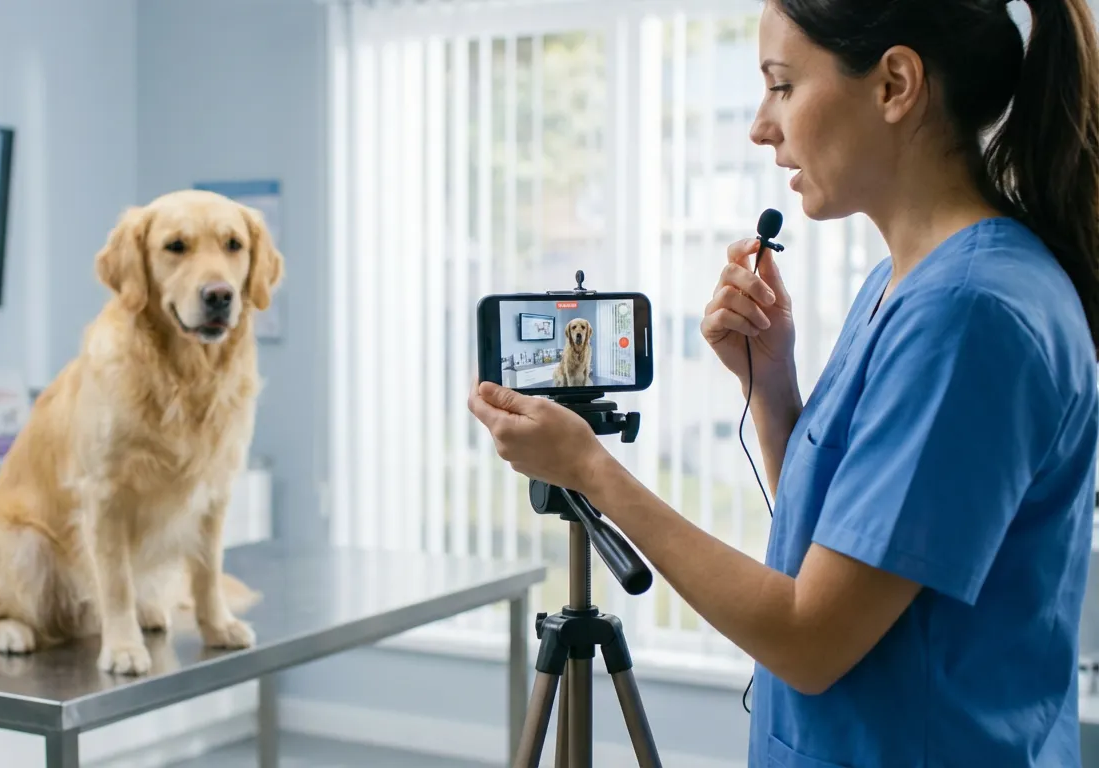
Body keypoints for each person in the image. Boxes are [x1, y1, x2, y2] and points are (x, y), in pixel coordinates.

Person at [468, 0, 1099, 765]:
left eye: (783, 86)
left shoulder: (968, 314)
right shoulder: (903, 285)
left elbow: (811, 638)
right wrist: (770, 388)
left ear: (895, 85)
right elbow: (836, 538)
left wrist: (591, 471)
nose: (760, 127)